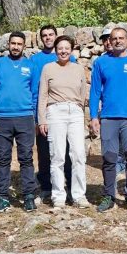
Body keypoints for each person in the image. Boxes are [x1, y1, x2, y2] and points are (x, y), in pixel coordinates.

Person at [89, 27, 127, 213]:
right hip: (108, 118)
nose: (117, 41)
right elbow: (95, 92)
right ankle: (108, 195)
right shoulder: (101, 62)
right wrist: (93, 117)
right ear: (110, 41)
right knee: (109, 158)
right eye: (114, 38)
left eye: (121, 38)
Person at [0, 31, 39, 213]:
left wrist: (35, 118)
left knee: (26, 158)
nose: (16, 47)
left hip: (25, 118)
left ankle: (29, 196)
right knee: (3, 159)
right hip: (2, 119)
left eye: (19, 44)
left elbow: (35, 94)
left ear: (24, 46)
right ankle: (2, 198)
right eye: (13, 43)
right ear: (8, 44)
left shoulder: (30, 65)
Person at [38, 35, 89, 209]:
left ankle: (79, 195)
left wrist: (79, 111)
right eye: (60, 48)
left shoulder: (78, 69)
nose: (63, 51)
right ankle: (58, 195)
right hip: (55, 112)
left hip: (74, 112)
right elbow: (43, 95)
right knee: (57, 156)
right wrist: (42, 119)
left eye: (67, 48)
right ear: (55, 50)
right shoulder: (48, 68)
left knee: (78, 155)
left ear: (72, 50)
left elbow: (82, 94)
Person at [31, 24, 75, 204]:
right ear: (41, 39)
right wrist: (37, 117)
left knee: (67, 151)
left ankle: (70, 186)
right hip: (45, 113)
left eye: (51, 35)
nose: (48, 38)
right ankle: (46, 187)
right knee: (43, 151)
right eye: (45, 36)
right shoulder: (36, 60)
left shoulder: (69, 58)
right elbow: (35, 90)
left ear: (56, 37)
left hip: (65, 113)